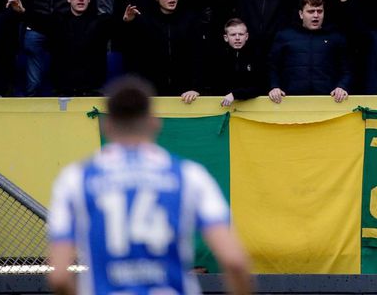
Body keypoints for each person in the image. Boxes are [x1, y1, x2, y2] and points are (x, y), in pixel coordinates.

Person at [46, 75, 252, 295]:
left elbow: (59, 276)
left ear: (107, 125)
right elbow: (234, 261)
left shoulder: (76, 178)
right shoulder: (189, 175)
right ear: (155, 122)